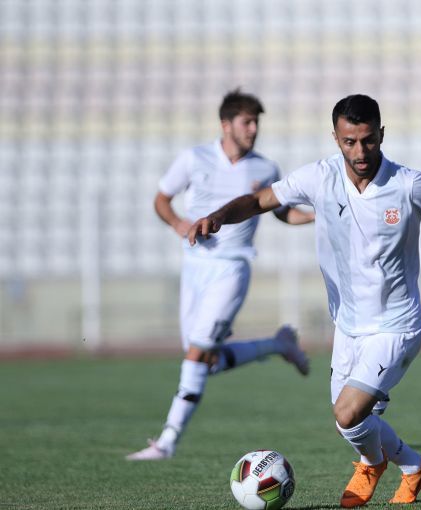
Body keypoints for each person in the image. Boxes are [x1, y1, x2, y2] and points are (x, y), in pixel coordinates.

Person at [188, 94, 421, 506]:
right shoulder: (319, 177)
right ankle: (414, 466)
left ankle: (371, 465)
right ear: (335, 138)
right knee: (349, 420)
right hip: (348, 325)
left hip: (397, 325)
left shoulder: (408, 183)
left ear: (381, 135)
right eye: (349, 142)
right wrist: (218, 216)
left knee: (348, 413)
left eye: (368, 140)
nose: (360, 152)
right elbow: (260, 200)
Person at [126, 89, 315, 461]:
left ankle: (167, 442)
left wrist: (318, 216)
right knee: (204, 362)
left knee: (197, 353)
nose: (253, 129)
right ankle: (278, 345)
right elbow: (161, 199)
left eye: (256, 122)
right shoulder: (194, 158)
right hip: (195, 267)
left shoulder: (265, 168)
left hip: (233, 268)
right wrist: (178, 223)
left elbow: (283, 213)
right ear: (225, 124)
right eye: (247, 121)